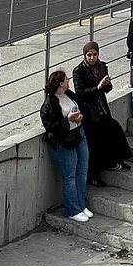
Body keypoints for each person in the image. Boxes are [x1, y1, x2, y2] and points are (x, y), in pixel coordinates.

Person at [72, 40, 133, 185]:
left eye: (94, 55)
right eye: (89, 55)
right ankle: (93, 176)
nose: (92, 58)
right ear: (85, 56)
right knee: (94, 144)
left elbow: (107, 89)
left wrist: (106, 84)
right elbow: (80, 93)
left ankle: (115, 160)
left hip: (102, 109)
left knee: (114, 130)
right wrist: (98, 87)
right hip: (89, 113)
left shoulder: (102, 66)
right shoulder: (79, 71)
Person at [39, 69, 91, 222]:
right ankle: (72, 209)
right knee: (69, 176)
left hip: (78, 133)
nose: (69, 81)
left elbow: (82, 107)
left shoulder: (70, 94)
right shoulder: (49, 104)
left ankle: (81, 205)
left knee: (82, 171)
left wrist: (81, 116)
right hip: (63, 141)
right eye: (66, 79)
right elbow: (51, 127)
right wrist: (68, 119)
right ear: (61, 83)